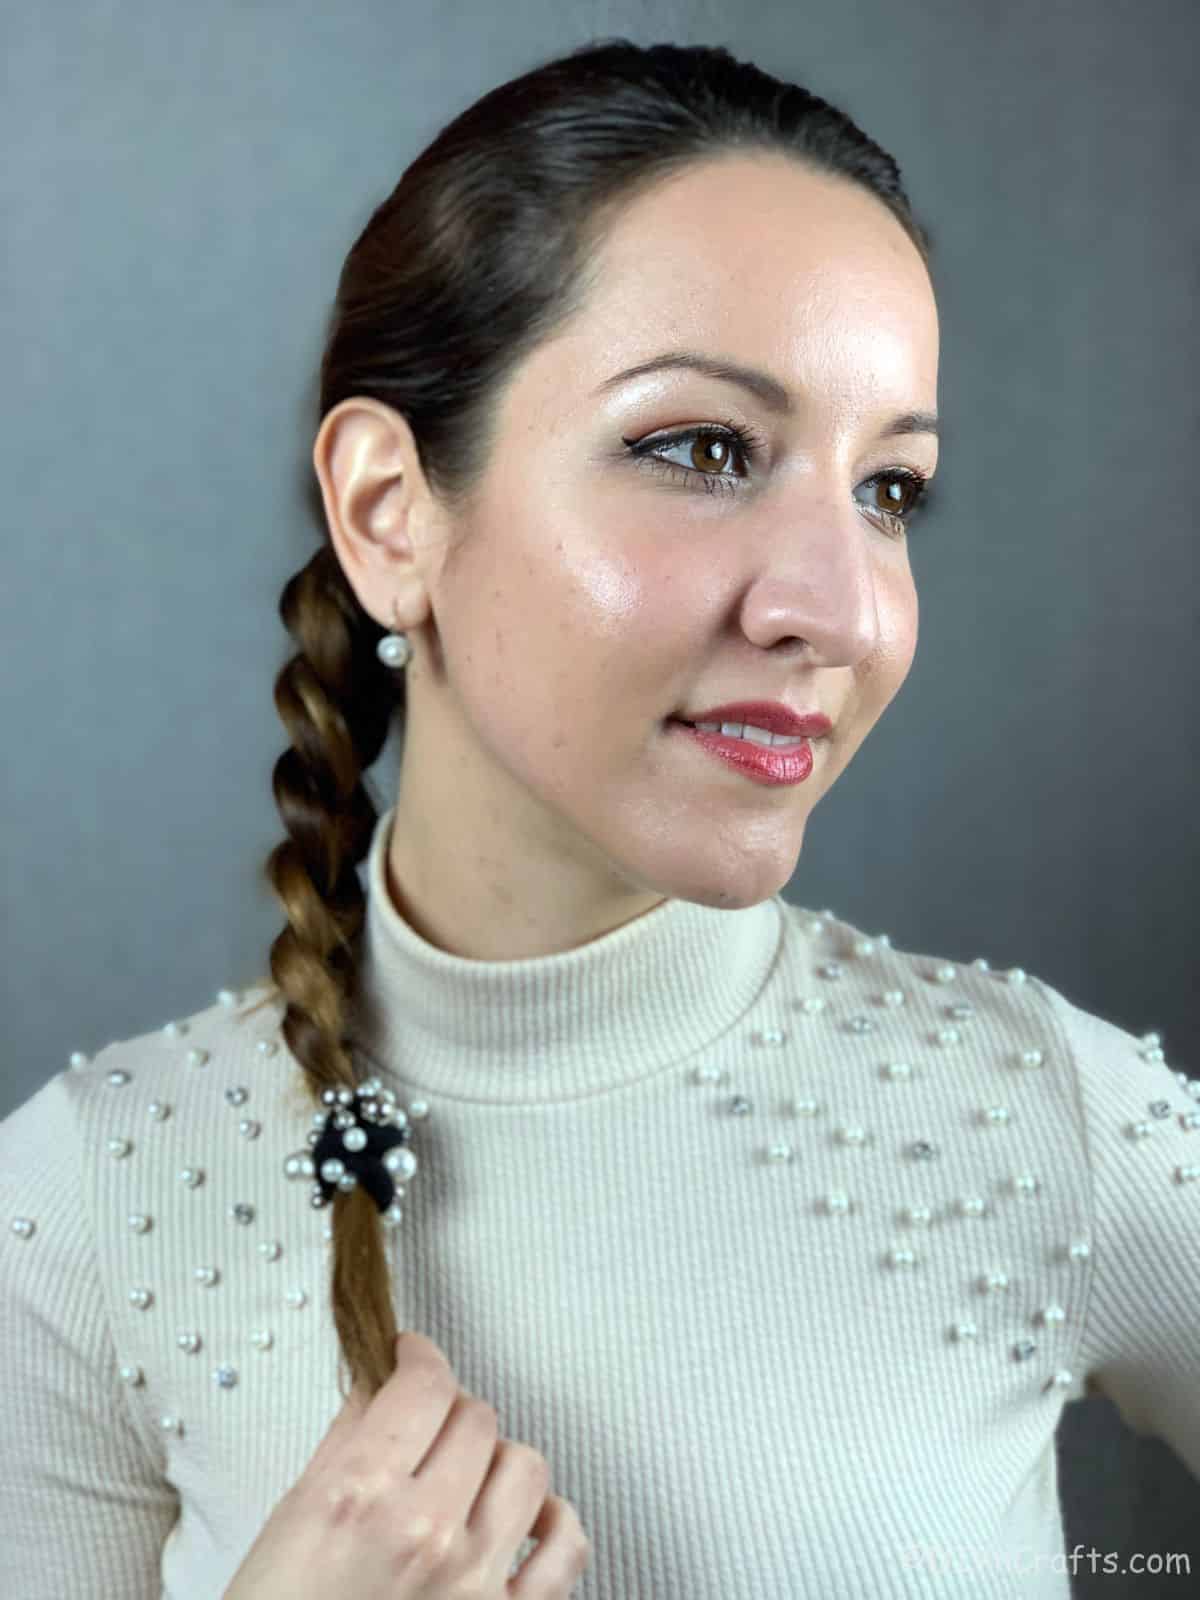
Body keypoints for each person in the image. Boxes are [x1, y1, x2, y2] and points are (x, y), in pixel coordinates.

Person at [2, 35, 1197, 1600]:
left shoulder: (1042, 1119)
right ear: (389, 515)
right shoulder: (92, 1207)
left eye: (888, 491)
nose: (840, 610)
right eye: (702, 450)